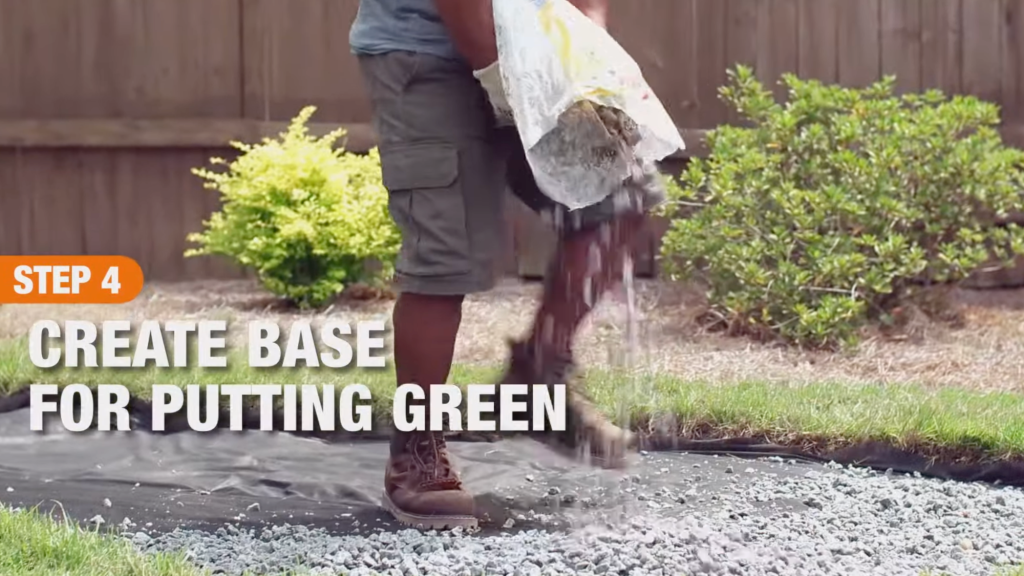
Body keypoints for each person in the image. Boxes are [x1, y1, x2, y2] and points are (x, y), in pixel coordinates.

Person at [349, 0, 668, 530]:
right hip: (428, 54)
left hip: (533, 38)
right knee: (444, 258)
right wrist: (501, 77)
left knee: (618, 199)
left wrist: (587, 49)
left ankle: (536, 377)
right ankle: (416, 449)